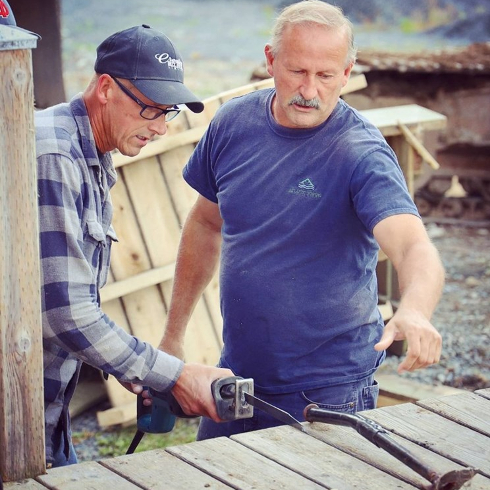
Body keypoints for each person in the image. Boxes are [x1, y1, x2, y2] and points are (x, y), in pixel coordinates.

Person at [159, 0, 445, 441]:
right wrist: (173, 336)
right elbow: (205, 224)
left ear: (347, 73)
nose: (309, 90)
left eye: (326, 75)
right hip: (237, 376)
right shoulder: (233, 124)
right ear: (271, 60)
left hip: (328, 392)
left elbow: (412, 246)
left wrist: (416, 311)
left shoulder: (360, 154)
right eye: (297, 71)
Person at [35, 24, 233, 468]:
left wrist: (130, 366)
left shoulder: (94, 155)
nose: (161, 128)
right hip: (16, 415)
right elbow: (63, 312)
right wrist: (173, 375)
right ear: (105, 88)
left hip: (48, 413)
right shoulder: (55, 155)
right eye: (150, 110)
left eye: (170, 112)